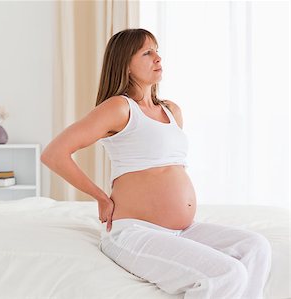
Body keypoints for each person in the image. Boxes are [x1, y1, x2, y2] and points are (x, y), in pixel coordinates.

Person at [41, 28, 272, 298]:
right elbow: (54, 153)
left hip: (182, 230)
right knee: (227, 274)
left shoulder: (172, 111)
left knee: (256, 247)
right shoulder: (119, 107)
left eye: (157, 50)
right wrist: (101, 197)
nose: (158, 58)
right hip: (135, 233)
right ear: (125, 64)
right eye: (147, 53)